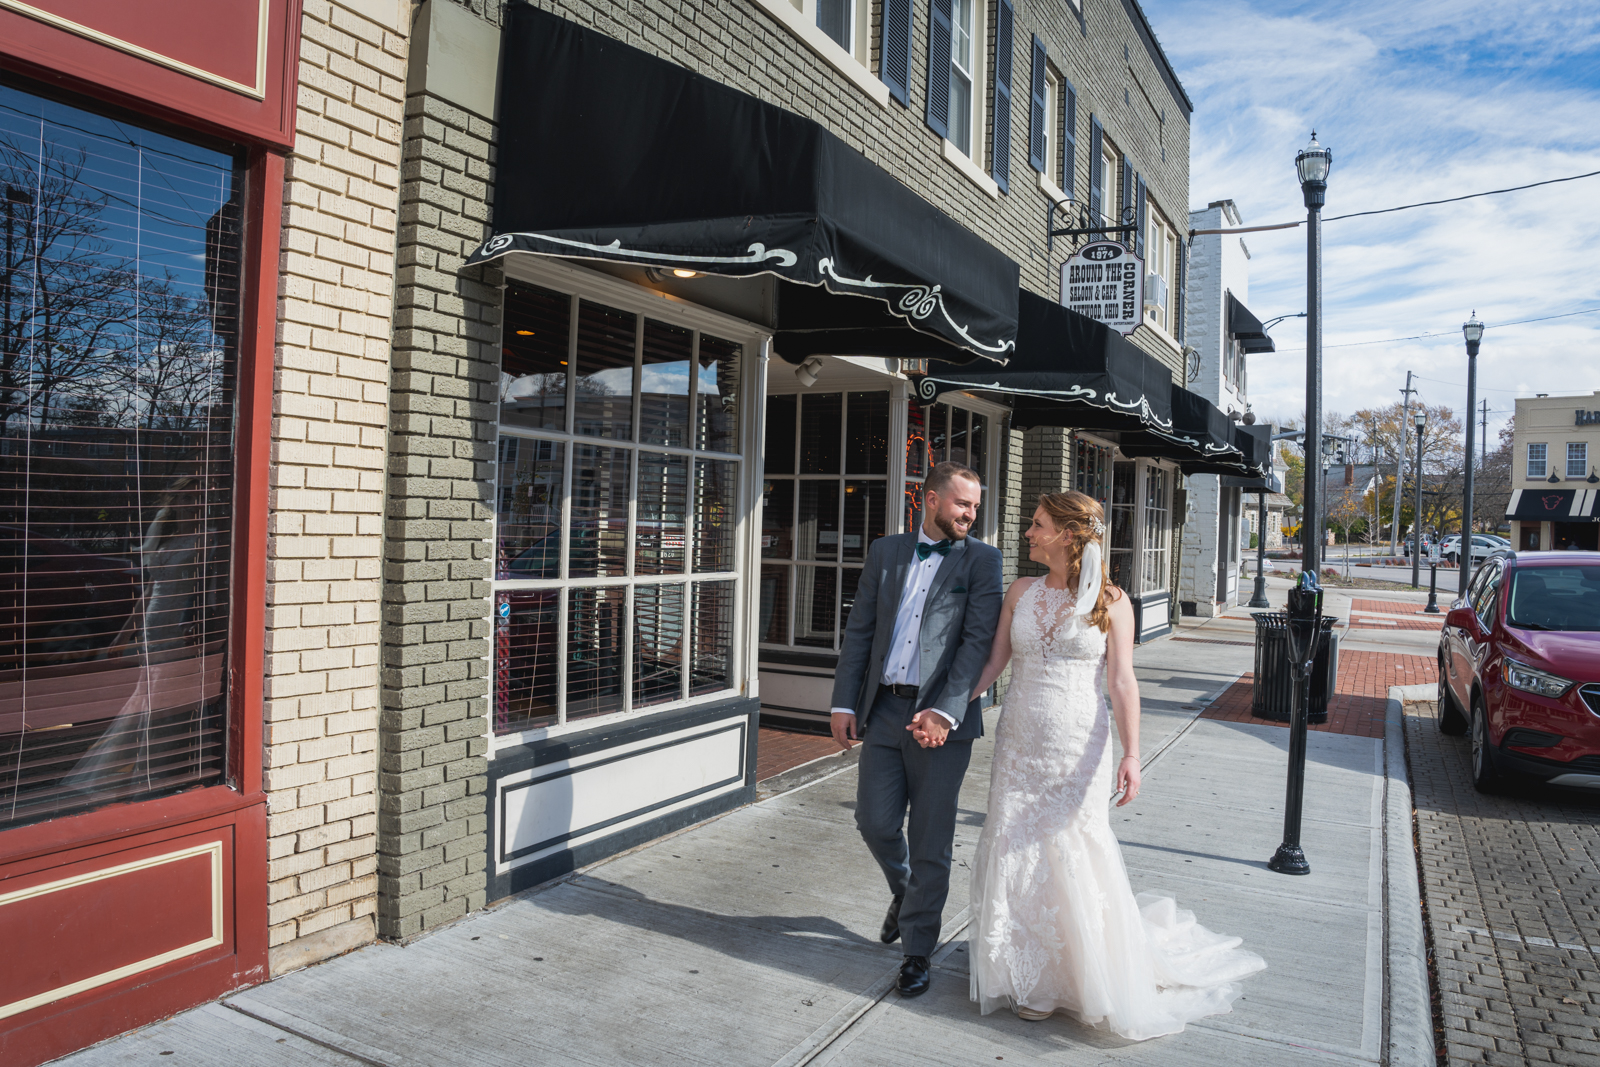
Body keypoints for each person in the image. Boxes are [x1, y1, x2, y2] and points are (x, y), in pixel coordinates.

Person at [965, 491, 1266, 1038]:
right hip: (1018, 742)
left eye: (1037, 525)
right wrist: (953, 702)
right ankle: (1028, 975)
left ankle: (1078, 977)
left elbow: (1122, 682)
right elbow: (994, 660)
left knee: (1072, 848)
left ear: (1068, 535)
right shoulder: (1021, 591)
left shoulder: (1113, 601)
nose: (1027, 533)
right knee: (1014, 844)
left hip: (1079, 746)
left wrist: (1132, 755)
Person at [830, 461, 1003, 999]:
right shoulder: (886, 551)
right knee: (875, 822)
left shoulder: (983, 560)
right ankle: (905, 893)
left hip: (943, 721)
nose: (971, 515)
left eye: (975, 506)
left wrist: (945, 712)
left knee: (931, 838)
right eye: (962, 504)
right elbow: (860, 630)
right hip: (883, 709)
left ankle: (917, 952)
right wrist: (842, 702)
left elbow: (977, 644)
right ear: (929, 500)